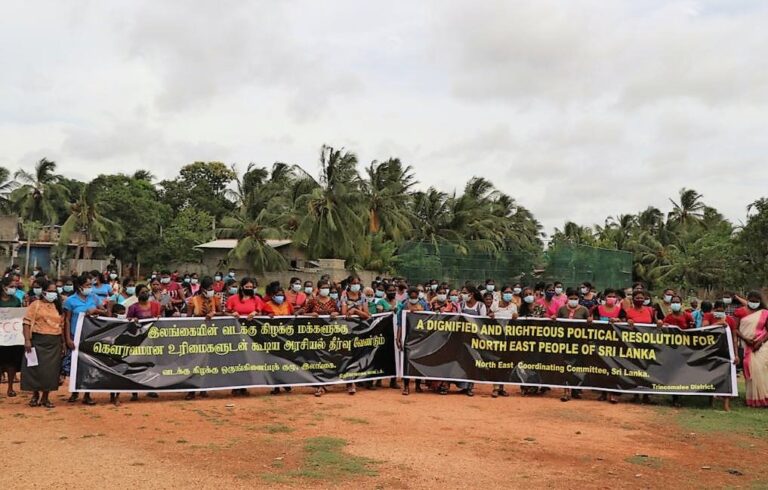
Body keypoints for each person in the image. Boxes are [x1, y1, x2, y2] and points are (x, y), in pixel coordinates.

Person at [63, 274, 108, 405]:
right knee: (75, 365)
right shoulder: (70, 301)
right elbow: (67, 320)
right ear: (79, 286)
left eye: (91, 285)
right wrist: (67, 339)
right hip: (75, 335)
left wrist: (96, 311)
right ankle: (74, 391)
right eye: (87, 285)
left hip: (90, 336)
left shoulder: (93, 298)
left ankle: (87, 394)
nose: (90, 288)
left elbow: (106, 312)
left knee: (89, 365)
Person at [703, 300, 739, 411]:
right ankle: (711, 402)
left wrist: (736, 354)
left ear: (725, 309)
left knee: (727, 375)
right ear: (714, 309)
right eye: (717, 310)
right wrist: (717, 324)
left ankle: (726, 404)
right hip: (711, 350)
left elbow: (734, 338)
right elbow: (703, 330)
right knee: (710, 375)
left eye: (722, 310)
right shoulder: (708, 316)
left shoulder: (730, 320)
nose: (720, 311)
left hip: (726, 351)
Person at [556, 288, 591, 402]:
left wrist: (590, 321)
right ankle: (566, 391)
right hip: (565, 342)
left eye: (576, 299)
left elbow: (589, 325)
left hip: (579, 342)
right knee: (566, 365)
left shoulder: (584, 310)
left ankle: (576, 389)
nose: (573, 300)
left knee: (577, 366)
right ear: (567, 298)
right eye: (571, 298)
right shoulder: (561, 309)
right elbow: (557, 323)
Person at [734, 291, 768, 408]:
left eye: (756, 301)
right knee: (751, 369)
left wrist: (760, 342)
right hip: (746, 345)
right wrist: (746, 339)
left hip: (762, 346)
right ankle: (753, 399)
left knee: (761, 370)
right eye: (751, 301)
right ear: (747, 300)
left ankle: (764, 397)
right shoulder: (740, 312)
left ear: (760, 302)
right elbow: (736, 329)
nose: (753, 303)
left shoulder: (764, 313)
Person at [397, 287, 428, 396]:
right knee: (407, 361)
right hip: (407, 337)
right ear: (409, 296)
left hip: (420, 337)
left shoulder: (423, 305)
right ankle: (406, 386)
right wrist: (398, 337)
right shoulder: (404, 305)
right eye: (412, 296)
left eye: (415, 296)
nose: (413, 298)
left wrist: (420, 311)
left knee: (419, 360)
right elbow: (400, 323)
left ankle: (418, 385)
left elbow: (429, 318)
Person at [489, 286, 518, 398]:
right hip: (495, 338)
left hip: (508, 338)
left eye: (510, 292)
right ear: (501, 294)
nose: (509, 294)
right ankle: (495, 388)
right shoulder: (495, 304)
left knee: (505, 362)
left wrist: (516, 317)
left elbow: (516, 319)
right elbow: (488, 316)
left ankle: (502, 387)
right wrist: (491, 316)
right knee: (496, 361)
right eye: (506, 292)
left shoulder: (513, 306)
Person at [0, 277, 23, 397]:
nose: (14, 289)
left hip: (11, 336)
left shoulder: (16, 300)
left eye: (15, 286)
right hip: (0, 334)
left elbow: (19, 316)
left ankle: (10, 387)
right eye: (12, 286)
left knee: (11, 363)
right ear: (4, 287)